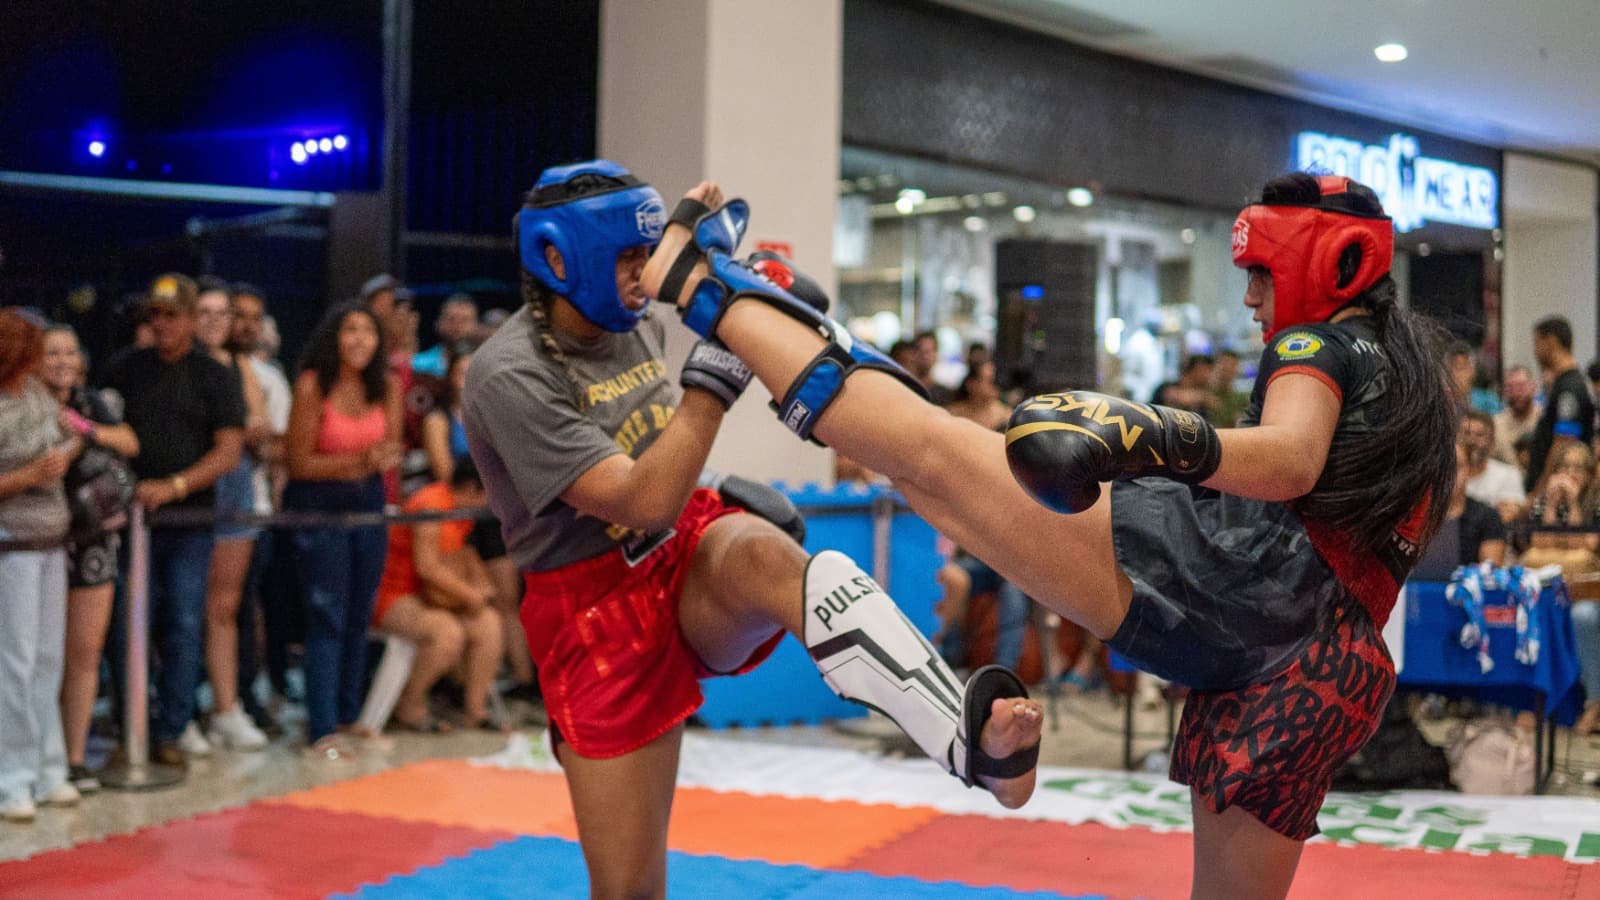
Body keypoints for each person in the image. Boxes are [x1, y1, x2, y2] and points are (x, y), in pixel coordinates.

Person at [646, 171, 1456, 898]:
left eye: (1261, 273)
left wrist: (1151, 434)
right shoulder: (1411, 376)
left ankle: (697, 285)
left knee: (922, 452)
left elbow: (1290, 459)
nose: (1250, 298)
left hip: (1232, 581)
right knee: (934, 466)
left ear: (1329, 265)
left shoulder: (1317, 344)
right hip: (1324, 666)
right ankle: (778, 316)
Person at [463, 161, 1042, 899]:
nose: (643, 277)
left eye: (649, 256)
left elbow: (666, 496)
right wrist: (720, 363)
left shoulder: (625, 324)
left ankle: (969, 741)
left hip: (679, 555)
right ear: (556, 259)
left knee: (775, 554)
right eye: (628, 258)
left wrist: (716, 278)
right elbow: (642, 501)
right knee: (630, 889)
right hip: (593, 615)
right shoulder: (508, 373)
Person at [99, 274, 245, 768]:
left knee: (182, 623)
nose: (161, 324)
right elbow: (105, 432)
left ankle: (173, 727)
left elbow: (228, 451)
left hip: (188, 519)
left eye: (171, 315)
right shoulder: (125, 369)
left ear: (188, 319)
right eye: (154, 315)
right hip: (129, 522)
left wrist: (176, 485)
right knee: (126, 627)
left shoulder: (216, 376)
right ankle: (130, 725)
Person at [284, 303, 403, 760]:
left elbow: (388, 449)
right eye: (350, 330)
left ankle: (350, 714)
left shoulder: (386, 385)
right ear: (334, 336)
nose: (358, 340)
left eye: (367, 332)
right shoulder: (314, 384)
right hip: (320, 510)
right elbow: (298, 462)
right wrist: (358, 464)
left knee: (359, 613)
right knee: (327, 617)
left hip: (370, 505)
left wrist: (376, 464)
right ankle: (321, 727)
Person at [42, 325, 140, 794]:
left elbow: (129, 442)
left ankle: (76, 758)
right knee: (42, 655)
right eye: (50, 353)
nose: (61, 362)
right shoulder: (21, 405)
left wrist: (84, 429)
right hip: (39, 540)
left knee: (84, 652)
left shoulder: (91, 402)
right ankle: (41, 756)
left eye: (68, 352)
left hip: (95, 539)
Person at [418, 339, 534, 694]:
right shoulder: (437, 419)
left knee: (507, 598)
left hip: (496, 517)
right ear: (450, 377)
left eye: (474, 371)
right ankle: (466, 684)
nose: (468, 378)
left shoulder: (498, 414)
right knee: (467, 600)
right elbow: (444, 472)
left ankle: (522, 679)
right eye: (461, 372)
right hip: (457, 521)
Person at [0, 310, 79, 821]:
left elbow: (69, 435)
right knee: (16, 662)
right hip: (12, 546)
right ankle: (11, 778)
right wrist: (29, 475)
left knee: (49, 657)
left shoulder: (38, 395)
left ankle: (49, 768)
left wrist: (65, 455)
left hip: (53, 538)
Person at [192, 281, 270, 752]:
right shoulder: (181, 367)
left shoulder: (242, 365)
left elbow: (260, 428)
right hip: (195, 490)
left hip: (237, 489)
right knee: (179, 611)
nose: (216, 321)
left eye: (223, 313)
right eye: (206, 311)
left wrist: (248, 432)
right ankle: (177, 713)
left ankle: (225, 708)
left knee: (224, 607)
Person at [372, 458, 503, 731]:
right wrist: (469, 595)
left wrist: (482, 588)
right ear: (472, 487)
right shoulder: (430, 505)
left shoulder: (463, 509)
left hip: (437, 596)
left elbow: (464, 554)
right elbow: (427, 567)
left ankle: (475, 709)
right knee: (446, 634)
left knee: (489, 625)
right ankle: (409, 704)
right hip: (397, 595)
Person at [1519, 441, 1600, 735]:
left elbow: (1588, 544)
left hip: (1589, 591)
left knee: (1584, 616)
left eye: (1578, 467)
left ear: (1590, 473)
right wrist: (1553, 504)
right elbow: (1539, 544)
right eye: (1564, 467)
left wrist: (1575, 503)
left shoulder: (1595, 500)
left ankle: (1593, 703)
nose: (1570, 474)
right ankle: (1536, 702)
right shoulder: (1545, 498)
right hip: (1552, 589)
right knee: (1533, 613)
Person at [1411, 443, 1506, 580]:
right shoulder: (1414, 514)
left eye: (1457, 467)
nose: (1449, 475)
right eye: (1443, 468)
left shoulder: (1487, 516)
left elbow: (1491, 570)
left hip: (1468, 594)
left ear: (1468, 471)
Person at [1526, 316, 1594, 494]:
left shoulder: (1569, 388)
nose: (1534, 351)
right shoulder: (1562, 384)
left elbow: (1564, 442)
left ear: (1550, 341)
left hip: (1559, 491)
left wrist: (1538, 494)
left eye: (1537, 343)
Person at [1459, 410, 1526, 523]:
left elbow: (1509, 515)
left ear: (1492, 441)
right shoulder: (1445, 475)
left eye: (1479, 435)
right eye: (1467, 433)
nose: (1472, 440)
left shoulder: (1508, 475)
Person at [412, 293, 480, 378]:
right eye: (451, 319)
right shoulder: (418, 365)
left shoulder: (487, 366)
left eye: (465, 320)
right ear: (438, 323)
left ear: (477, 326)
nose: (458, 326)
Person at [1493, 364, 1541, 466]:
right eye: (1510, 388)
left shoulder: (1545, 419)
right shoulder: (1495, 425)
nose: (1517, 393)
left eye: (1521, 387)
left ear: (1533, 388)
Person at [1209, 349, 1250, 428]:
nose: (1227, 368)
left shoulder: (1241, 399)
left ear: (1236, 369)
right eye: (1224, 363)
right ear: (1215, 366)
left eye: (1232, 365)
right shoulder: (1203, 391)